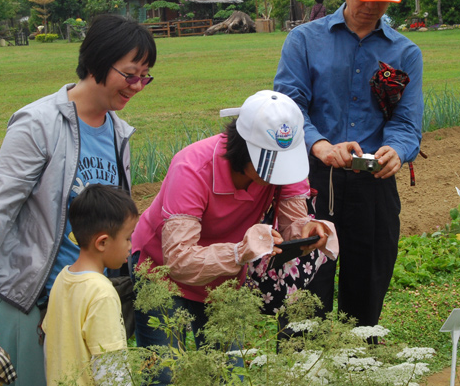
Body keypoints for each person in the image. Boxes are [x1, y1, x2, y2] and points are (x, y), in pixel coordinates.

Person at [0, 15, 157, 386]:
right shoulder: (38, 123)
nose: (138, 86)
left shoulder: (118, 133)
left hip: (85, 300)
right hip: (33, 298)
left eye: (145, 76)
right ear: (95, 64)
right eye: (131, 74)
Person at [131, 90, 338, 383]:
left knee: (229, 372)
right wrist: (240, 253)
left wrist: (307, 234)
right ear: (243, 147)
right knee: (163, 372)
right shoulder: (192, 168)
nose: (278, 173)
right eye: (270, 162)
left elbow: (294, 223)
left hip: (223, 276)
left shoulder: (282, 172)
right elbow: (178, 260)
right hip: (160, 271)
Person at [274, 0, 424, 329]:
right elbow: (288, 111)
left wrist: (397, 149)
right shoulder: (304, 41)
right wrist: (320, 145)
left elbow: (407, 123)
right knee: (305, 296)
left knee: (367, 294)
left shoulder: (405, 53)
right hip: (310, 185)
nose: (373, 6)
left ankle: (361, 366)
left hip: (374, 188)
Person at [42, 184, 138, 386]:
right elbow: (111, 369)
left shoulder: (62, 278)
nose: (131, 246)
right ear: (102, 242)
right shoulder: (102, 293)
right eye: (127, 238)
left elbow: (49, 342)